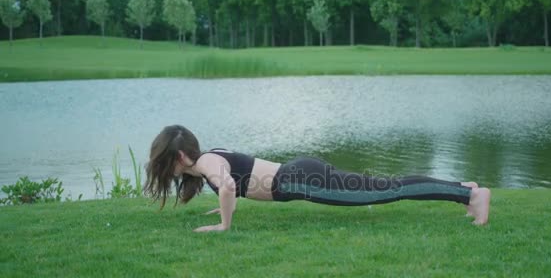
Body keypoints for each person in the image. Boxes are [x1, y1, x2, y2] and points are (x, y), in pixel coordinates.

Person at [145, 125, 491, 233]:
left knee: (388, 190)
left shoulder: (206, 162)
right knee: (388, 186)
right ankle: (464, 189)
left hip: (302, 180)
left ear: (178, 157)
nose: (162, 171)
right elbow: (236, 181)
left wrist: (224, 226)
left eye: (162, 163)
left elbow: (231, 184)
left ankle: (470, 197)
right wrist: (225, 207)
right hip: (299, 172)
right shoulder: (207, 159)